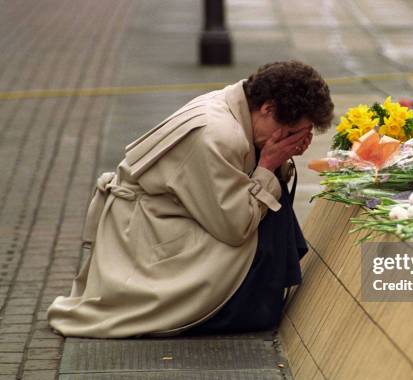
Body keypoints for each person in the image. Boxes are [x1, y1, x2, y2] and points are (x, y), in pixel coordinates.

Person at [46, 61, 334, 338]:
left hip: (163, 217)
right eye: (293, 132)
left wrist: (276, 161)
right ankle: (237, 311)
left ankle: (255, 302)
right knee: (265, 216)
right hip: (147, 235)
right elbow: (235, 227)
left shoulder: (238, 104)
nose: (295, 141)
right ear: (268, 109)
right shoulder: (218, 134)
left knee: (272, 197)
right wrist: (269, 165)